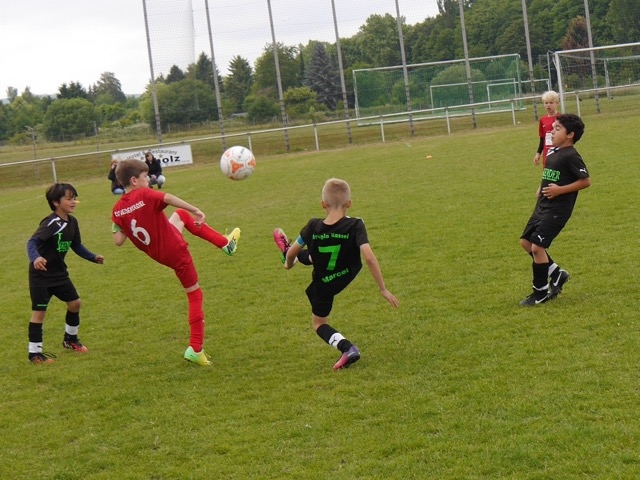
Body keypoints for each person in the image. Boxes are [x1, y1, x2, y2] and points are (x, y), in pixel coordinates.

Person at [111, 158, 241, 366]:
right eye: (145, 176)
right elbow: (169, 197)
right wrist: (196, 209)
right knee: (195, 294)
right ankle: (195, 349)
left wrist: (119, 223)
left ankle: (225, 244)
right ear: (134, 180)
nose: (149, 180)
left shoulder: (117, 209)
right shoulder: (144, 194)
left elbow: (118, 241)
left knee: (180, 215)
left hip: (159, 251)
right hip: (175, 250)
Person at [273, 178, 399, 370]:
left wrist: (288, 263)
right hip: (347, 270)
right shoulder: (356, 225)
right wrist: (383, 289)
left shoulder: (312, 226)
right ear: (349, 203)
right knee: (319, 254)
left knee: (319, 324)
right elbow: (369, 258)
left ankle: (347, 348)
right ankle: (302, 256)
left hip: (323, 283)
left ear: (323, 204)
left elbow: (291, 254)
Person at [26, 183, 104, 364]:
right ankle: (34, 354)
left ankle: (70, 340)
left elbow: (76, 245)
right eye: (69, 199)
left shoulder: (72, 222)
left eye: (74, 198)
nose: (73, 202)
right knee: (39, 312)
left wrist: (93, 257)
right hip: (41, 276)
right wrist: (36, 258)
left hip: (59, 274)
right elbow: (32, 242)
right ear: (55, 202)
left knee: (75, 303)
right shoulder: (51, 223)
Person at [519, 113, 591, 306]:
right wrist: (541, 187)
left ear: (570, 135)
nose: (552, 131)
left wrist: (560, 190)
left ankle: (540, 293)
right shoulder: (553, 151)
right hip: (542, 205)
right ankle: (557, 274)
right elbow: (550, 173)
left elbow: (585, 181)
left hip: (557, 210)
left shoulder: (571, 155)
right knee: (526, 242)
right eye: (553, 127)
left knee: (537, 247)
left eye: (557, 128)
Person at [533, 90, 560, 169]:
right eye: (546, 103)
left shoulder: (561, 118)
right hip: (547, 153)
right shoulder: (542, 120)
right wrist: (538, 153)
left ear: (557, 103)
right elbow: (542, 138)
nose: (548, 105)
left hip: (559, 152)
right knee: (548, 174)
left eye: (551, 103)